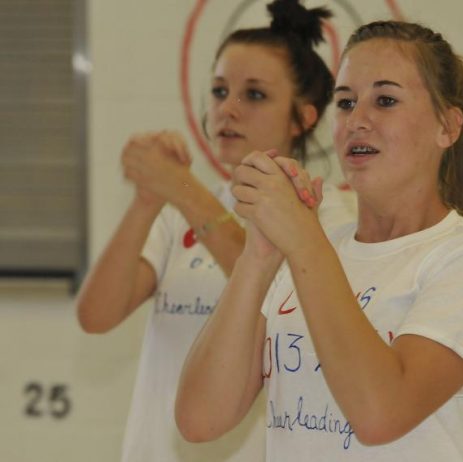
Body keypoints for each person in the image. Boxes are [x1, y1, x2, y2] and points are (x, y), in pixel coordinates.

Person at [176, 20, 463, 462]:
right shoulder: (309, 253)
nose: (358, 120)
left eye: (385, 100)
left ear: (448, 126)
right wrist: (259, 255)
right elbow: (199, 419)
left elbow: (380, 413)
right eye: (345, 103)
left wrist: (304, 241)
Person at [75, 1, 354, 461]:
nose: (229, 109)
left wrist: (184, 191)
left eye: (255, 95)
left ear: (304, 117)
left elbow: (277, 293)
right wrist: (149, 201)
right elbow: (96, 316)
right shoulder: (181, 207)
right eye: (220, 91)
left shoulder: (332, 216)